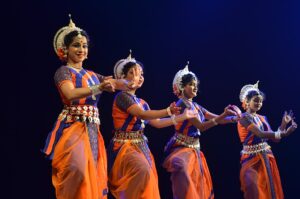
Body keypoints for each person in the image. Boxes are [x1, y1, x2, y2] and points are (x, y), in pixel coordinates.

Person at [42, 15, 139, 199]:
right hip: (72, 128)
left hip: (92, 131)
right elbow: (70, 94)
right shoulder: (63, 72)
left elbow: (117, 83)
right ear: (65, 49)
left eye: (84, 46)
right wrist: (99, 87)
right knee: (76, 169)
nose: (81, 49)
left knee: (91, 175)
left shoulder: (93, 74)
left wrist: (132, 79)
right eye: (76, 45)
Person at [108, 53, 197, 199]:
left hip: (140, 146)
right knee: (142, 171)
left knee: (147, 178)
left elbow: (157, 123)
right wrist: (168, 111)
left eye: (140, 73)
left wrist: (181, 117)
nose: (138, 76)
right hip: (123, 148)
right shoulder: (122, 97)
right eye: (133, 73)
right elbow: (142, 115)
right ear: (122, 77)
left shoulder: (142, 102)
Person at [163, 63, 241, 199]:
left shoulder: (196, 106)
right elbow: (201, 126)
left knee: (197, 185)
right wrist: (223, 115)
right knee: (186, 181)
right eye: (191, 84)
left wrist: (235, 118)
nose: (195, 87)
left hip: (194, 151)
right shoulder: (182, 104)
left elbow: (217, 118)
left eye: (196, 85)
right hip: (182, 149)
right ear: (182, 87)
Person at [237, 81, 297, 199]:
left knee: (269, 190)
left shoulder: (262, 118)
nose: (259, 103)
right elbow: (260, 133)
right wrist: (284, 134)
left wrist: (283, 124)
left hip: (266, 157)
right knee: (253, 189)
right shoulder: (243, 118)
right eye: (256, 100)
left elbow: (275, 139)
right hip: (250, 159)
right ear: (247, 102)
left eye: (260, 101)